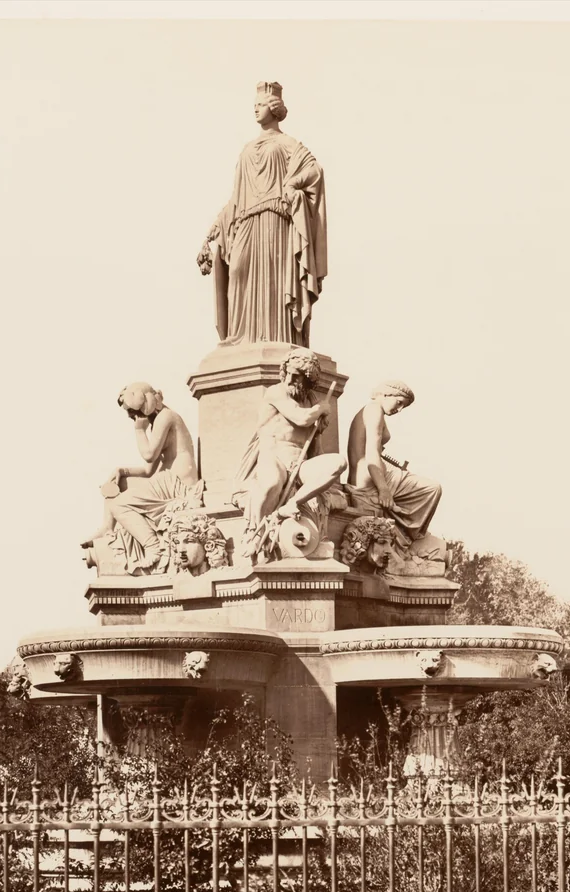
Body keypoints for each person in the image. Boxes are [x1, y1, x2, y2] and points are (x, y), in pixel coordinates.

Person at [197, 81, 327, 347]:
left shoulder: (288, 144)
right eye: (254, 105)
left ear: (274, 107)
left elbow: (315, 172)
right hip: (246, 223)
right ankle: (240, 337)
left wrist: (292, 184)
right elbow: (236, 197)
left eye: (260, 105)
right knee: (238, 273)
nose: (255, 110)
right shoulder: (246, 149)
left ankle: (277, 337)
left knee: (273, 284)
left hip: (275, 222)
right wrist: (213, 229)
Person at [233, 349, 345, 557]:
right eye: (289, 372)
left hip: (299, 464)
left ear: (308, 379)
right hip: (273, 455)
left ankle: (294, 502)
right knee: (271, 483)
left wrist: (319, 428)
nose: (291, 379)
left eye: (298, 376)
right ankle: (255, 534)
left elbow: (315, 447)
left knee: (337, 463)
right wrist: (321, 410)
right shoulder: (276, 392)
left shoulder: (311, 401)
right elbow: (301, 418)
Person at [82, 383, 202, 573]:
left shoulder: (166, 417)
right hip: (167, 479)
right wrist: (123, 471)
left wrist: (139, 431)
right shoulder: (159, 420)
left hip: (177, 483)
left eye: (132, 412)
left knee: (119, 504)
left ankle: (153, 546)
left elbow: (149, 455)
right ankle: (107, 527)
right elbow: (148, 470)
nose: (132, 417)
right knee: (117, 483)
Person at [346, 381, 445, 558]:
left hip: (368, 474)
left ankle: (407, 539)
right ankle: (412, 540)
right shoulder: (374, 409)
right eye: (399, 403)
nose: (399, 409)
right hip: (371, 476)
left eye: (403, 407)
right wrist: (383, 489)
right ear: (386, 394)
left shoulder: (370, 410)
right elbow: (371, 453)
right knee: (432, 488)